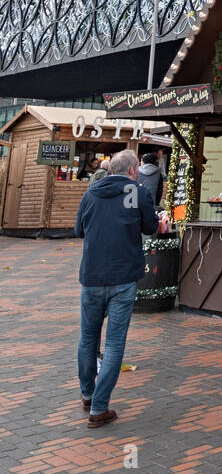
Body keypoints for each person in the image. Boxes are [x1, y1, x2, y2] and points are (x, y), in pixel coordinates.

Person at [74, 148, 159, 427]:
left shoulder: (92, 193)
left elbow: (79, 229)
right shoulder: (136, 192)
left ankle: (88, 394)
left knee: (88, 338)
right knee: (113, 344)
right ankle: (99, 407)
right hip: (123, 278)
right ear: (133, 170)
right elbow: (149, 227)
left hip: (93, 276)